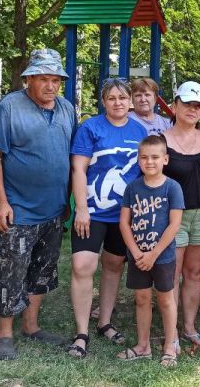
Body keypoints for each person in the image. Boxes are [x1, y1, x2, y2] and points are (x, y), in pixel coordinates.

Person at [0, 48, 75, 360]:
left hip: (54, 209)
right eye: (44, 79)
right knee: (12, 272)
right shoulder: (9, 107)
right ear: (29, 79)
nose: (51, 86)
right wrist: (0, 202)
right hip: (18, 210)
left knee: (43, 271)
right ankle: (4, 333)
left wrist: (68, 202)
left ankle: (31, 326)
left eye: (56, 80)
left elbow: (70, 157)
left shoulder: (66, 108)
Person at [68, 78, 148, 358]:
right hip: (92, 212)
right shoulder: (90, 128)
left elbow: (143, 173)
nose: (118, 103)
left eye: (123, 98)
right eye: (112, 98)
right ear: (103, 101)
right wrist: (81, 208)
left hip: (123, 215)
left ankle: (104, 321)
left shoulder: (139, 131)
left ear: (130, 101)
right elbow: (78, 170)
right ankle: (81, 332)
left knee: (114, 265)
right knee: (82, 265)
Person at [117, 135, 184, 367]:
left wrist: (154, 254)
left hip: (162, 256)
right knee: (142, 298)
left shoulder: (172, 188)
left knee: (166, 300)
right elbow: (125, 223)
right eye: (144, 157)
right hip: (138, 256)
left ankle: (169, 346)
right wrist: (136, 253)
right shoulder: (132, 187)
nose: (150, 162)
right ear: (138, 160)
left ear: (165, 159)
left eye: (155, 157)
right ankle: (143, 345)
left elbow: (174, 225)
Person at [162, 80, 200, 349]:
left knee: (194, 273)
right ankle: (170, 331)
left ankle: (189, 328)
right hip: (173, 217)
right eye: (187, 104)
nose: (192, 109)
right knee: (172, 274)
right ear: (175, 105)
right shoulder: (162, 140)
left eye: (197, 105)